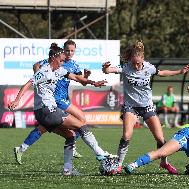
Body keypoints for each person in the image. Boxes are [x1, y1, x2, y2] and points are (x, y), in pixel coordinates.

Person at [9, 43, 114, 176]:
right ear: (54, 58)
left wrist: (93, 83)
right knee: (81, 124)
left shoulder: (59, 70)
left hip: (44, 113)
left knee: (70, 136)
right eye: (61, 60)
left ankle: (67, 170)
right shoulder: (44, 71)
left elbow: (76, 77)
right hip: (48, 110)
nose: (63, 63)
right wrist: (17, 100)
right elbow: (28, 84)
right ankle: (100, 153)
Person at [102, 41, 189, 174]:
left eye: (138, 63)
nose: (136, 66)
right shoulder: (126, 67)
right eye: (134, 63)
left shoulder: (149, 67)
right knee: (127, 135)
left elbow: (162, 73)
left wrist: (180, 71)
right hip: (130, 107)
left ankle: (164, 163)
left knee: (160, 139)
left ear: (142, 59)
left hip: (147, 107)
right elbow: (109, 70)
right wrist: (105, 68)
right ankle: (119, 165)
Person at [14, 40, 88, 164]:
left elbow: (79, 78)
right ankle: (74, 147)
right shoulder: (54, 61)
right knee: (81, 120)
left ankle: (21, 148)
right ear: (63, 50)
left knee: (45, 127)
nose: (69, 53)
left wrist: (87, 77)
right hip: (55, 99)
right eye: (67, 50)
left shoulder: (74, 65)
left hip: (63, 98)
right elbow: (36, 65)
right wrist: (39, 76)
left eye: (72, 51)